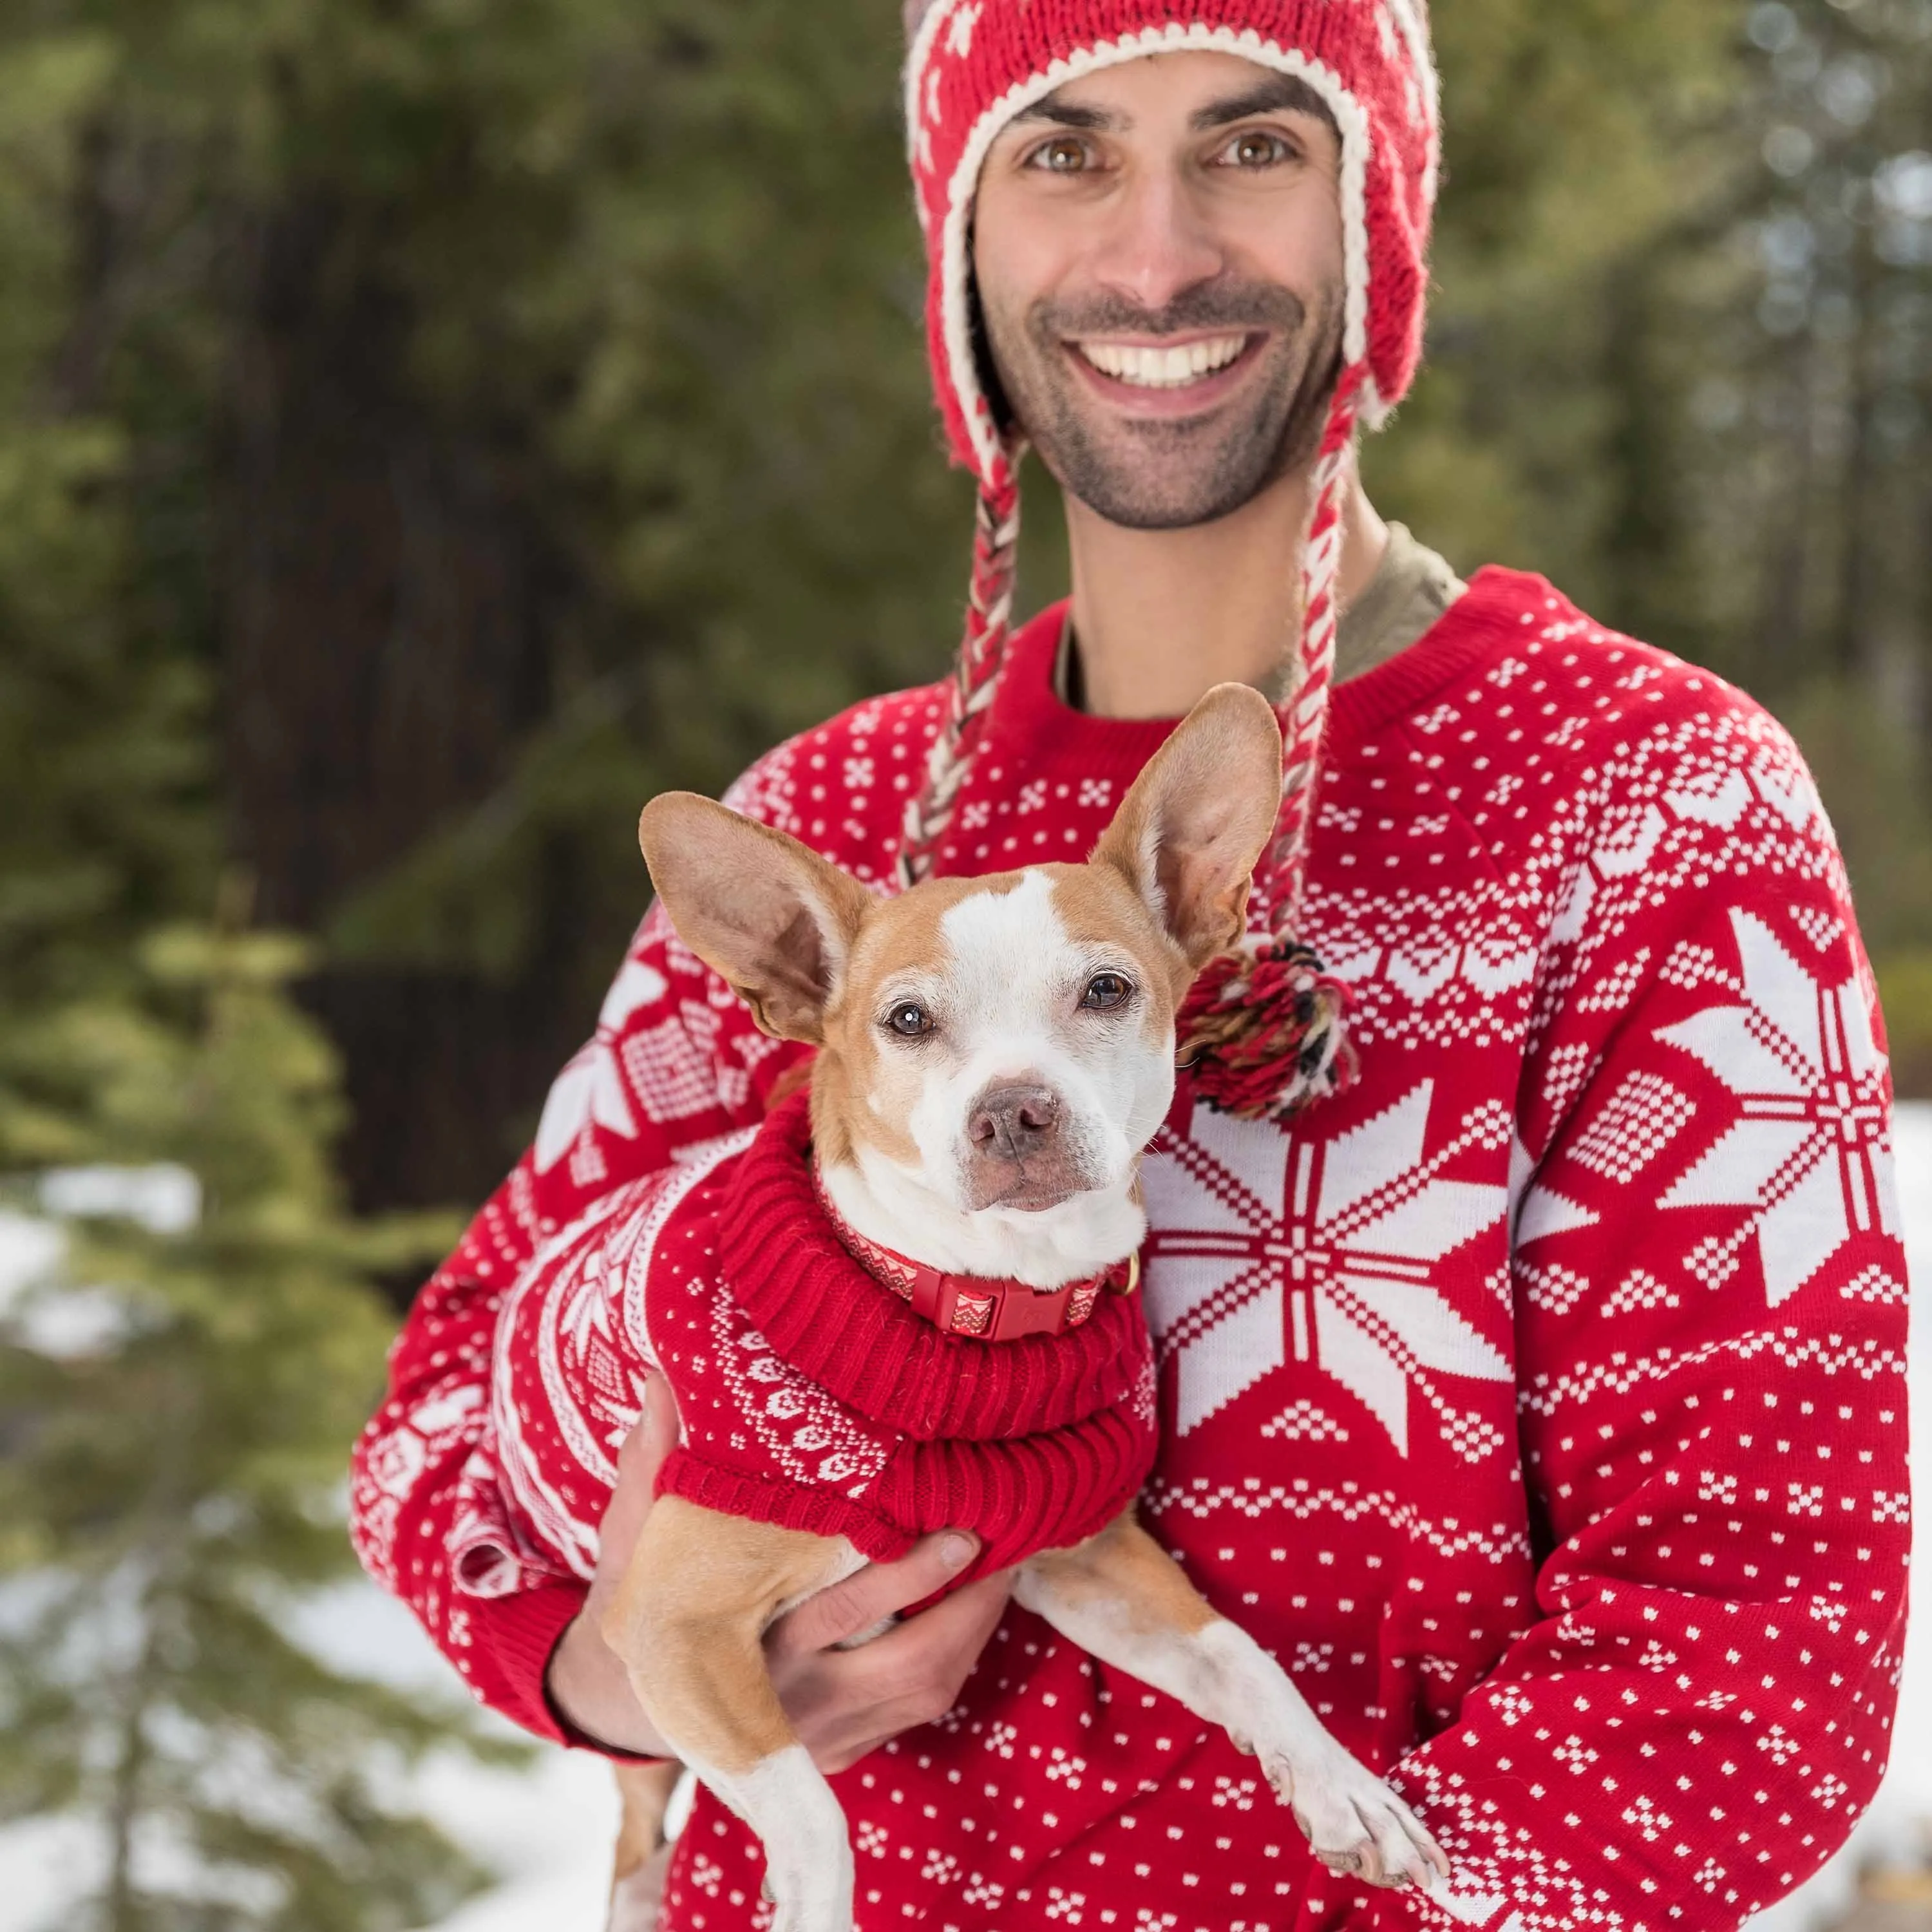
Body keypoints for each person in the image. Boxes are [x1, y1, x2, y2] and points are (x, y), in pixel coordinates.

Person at [350, 3, 1912, 1927]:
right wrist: (618, 1676)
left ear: (1376, 226)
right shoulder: (828, 821)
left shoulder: (1648, 804)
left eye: (1255, 149)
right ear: (965, 250)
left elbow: (1756, 1629)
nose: (1158, 253)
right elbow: (439, 1431)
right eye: (1064, 151)